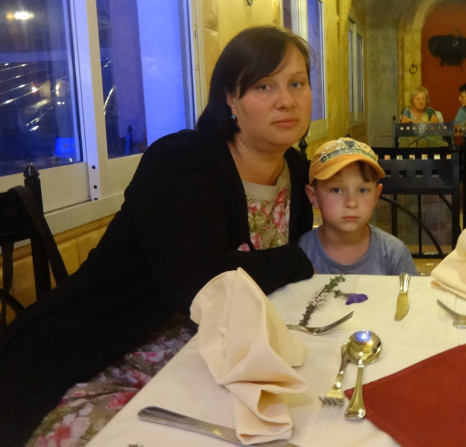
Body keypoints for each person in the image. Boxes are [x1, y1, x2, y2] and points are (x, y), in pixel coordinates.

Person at [0, 25, 317, 446]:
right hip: (104, 361)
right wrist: (296, 258)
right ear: (230, 98)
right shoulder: (183, 161)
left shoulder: (296, 168)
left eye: (297, 83)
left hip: (216, 358)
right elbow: (200, 283)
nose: (286, 100)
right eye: (264, 86)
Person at [299, 137, 417, 275]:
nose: (352, 202)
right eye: (336, 190)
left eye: (362, 190)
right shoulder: (301, 252)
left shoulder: (394, 254)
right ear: (313, 196)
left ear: (376, 195)